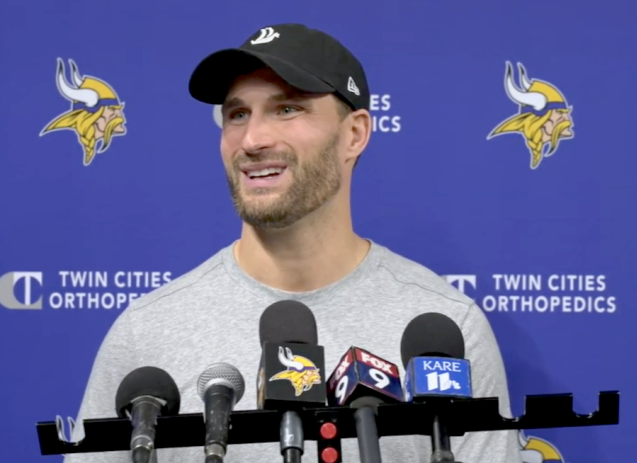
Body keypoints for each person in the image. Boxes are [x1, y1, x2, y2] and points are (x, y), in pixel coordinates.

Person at [64, 23, 521, 463]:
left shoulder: (448, 332)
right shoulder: (146, 333)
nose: (253, 139)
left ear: (355, 134)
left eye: (287, 109)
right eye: (237, 114)